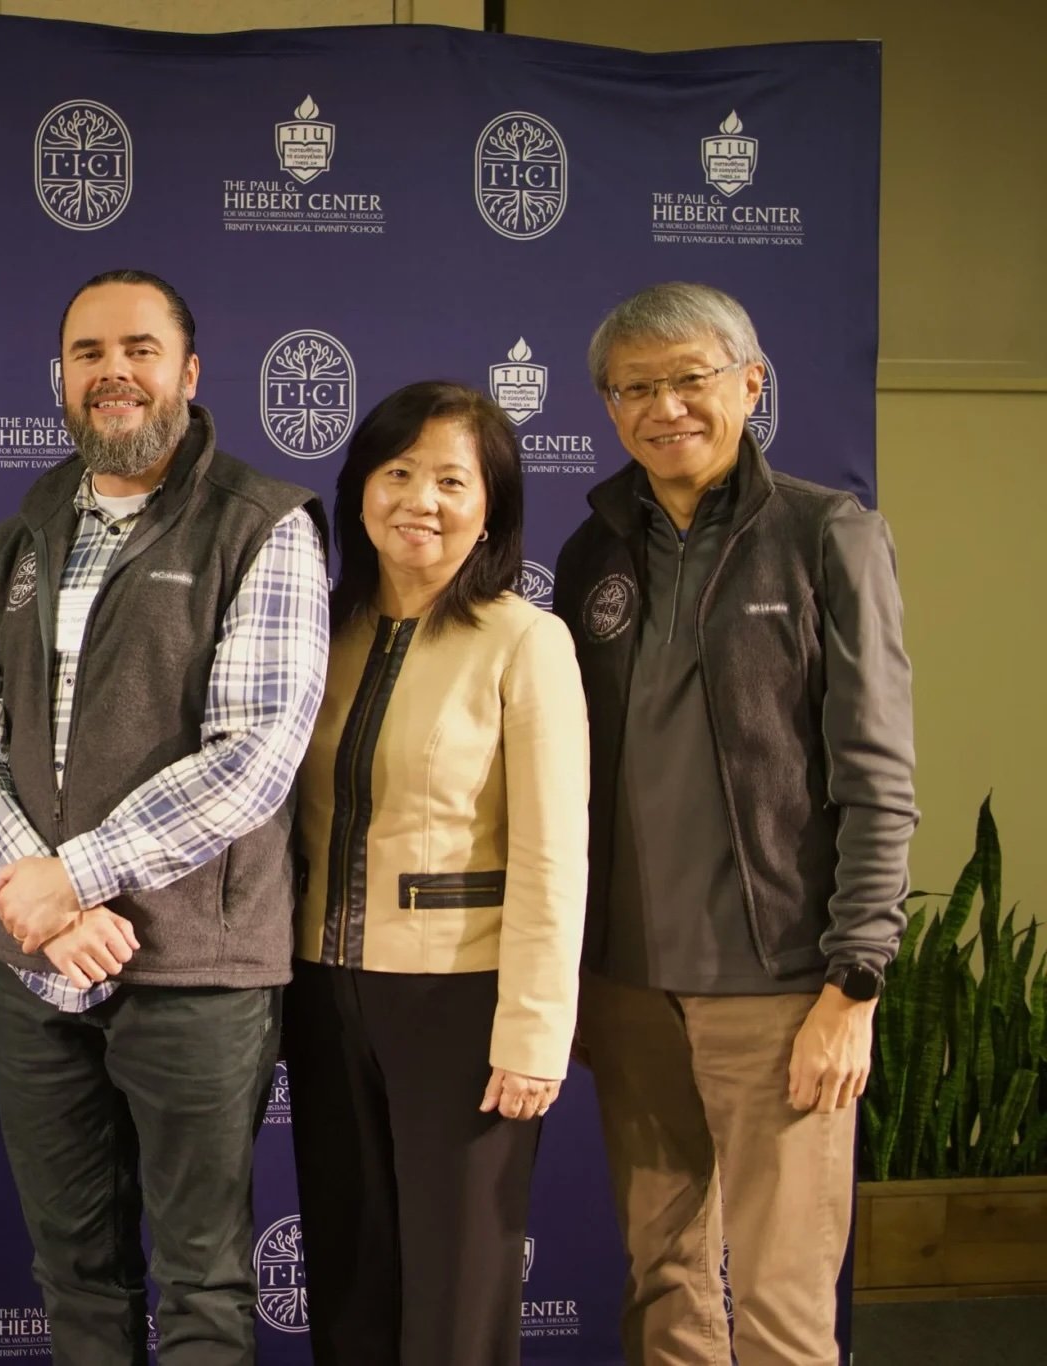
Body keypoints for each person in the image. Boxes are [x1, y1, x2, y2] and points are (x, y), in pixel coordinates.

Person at [0, 268, 330, 1363]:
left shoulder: (264, 525)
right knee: (73, 1273)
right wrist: (38, 891)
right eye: (86, 353)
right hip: (33, 964)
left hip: (192, 970)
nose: (112, 372)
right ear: (59, 379)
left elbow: (253, 754)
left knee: (202, 1277)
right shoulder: (26, 529)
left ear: (188, 374)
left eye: (138, 350)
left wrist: (79, 873)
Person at [556, 281, 916, 1366]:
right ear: (610, 407)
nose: (663, 406)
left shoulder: (824, 534)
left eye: (688, 379)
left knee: (779, 1303)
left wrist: (851, 982)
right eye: (635, 388)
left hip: (780, 989)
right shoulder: (591, 555)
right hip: (625, 987)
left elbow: (876, 769)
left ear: (749, 385)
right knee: (662, 1283)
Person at [288, 381, 588, 1365]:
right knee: (348, 1268)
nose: (420, 498)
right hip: (321, 992)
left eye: (450, 479)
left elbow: (553, 849)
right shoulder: (311, 632)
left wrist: (534, 1029)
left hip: (462, 1003)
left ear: (490, 504)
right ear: (359, 490)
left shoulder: (523, 640)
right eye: (397, 472)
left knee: (458, 1286)